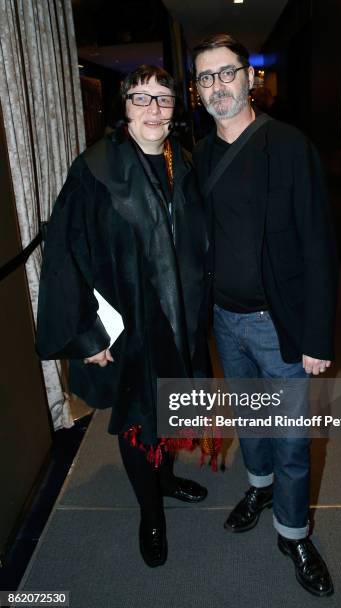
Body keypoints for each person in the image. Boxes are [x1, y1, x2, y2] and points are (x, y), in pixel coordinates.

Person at [36, 65, 210, 568]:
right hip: (132, 321)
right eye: (141, 98)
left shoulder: (186, 161)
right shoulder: (95, 168)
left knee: (176, 406)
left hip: (183, 316)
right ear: (124, 108)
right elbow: (66, 252)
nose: (153, 108)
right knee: (139, 419)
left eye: (163, 98)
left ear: (176, 108)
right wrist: (89, 333)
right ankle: (150, 512)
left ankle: (168, 477)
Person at [192, 34, 338, 597]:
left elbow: (319, 246)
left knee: (293, 438)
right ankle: (258, 487)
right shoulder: (200, 156)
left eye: (226, 74)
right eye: (205, 79)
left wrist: (316, 335)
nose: (217, 87)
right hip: (225, 323)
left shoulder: (290, 146)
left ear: (249, 77)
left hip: (279, 325)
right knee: (251, 422)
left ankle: (294, 532)